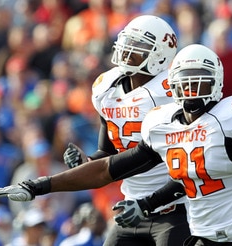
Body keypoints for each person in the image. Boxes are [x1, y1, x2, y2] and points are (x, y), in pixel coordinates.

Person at [0, 44, 232, 246]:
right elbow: (110, 167)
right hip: (202, 238)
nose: (192, 90)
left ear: (218, 84)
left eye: (200, 82)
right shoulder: (163, 125)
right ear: (172, 85)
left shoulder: (230, 119)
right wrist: (38, 185)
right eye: (185, 82)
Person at [50, 14, 191, 245]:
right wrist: (88, 162)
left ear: (159, 55)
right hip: (132, 206)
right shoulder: (109, 88)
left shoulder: (171, 94)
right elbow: (107, 152)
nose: (127, 48)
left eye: (138, 45)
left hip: (175, 208)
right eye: (128, 41)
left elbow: (191, 162)